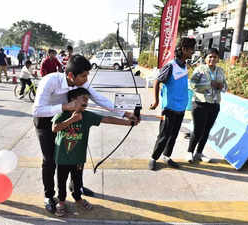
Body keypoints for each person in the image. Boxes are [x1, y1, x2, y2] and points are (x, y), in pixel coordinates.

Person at [32, 54, 139, 214]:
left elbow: (100, 99)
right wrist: (65, 107)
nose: (86, 79)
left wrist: (125, 114)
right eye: (83, 75)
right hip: (46, 121)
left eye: (87, 75)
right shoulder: (50, 81)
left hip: (70, 119)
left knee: (73, 157)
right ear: (70, 75)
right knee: (50, 161)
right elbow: (37, 110)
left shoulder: (81, 82)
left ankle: (76, 188)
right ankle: (49, 196)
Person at [52, 88, 138, 217]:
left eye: (87, 98)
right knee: (61, 181)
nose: (87, 101)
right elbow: (55, 128)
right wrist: (71, 120)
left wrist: (128, 123)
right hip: (62, 157)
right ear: (72, 100)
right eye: (84, 98)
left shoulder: (87, 115)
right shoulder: (62, 114)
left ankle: (78, 198)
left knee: (77, 180)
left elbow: (107, 119)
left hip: (78, 157)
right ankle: (62, 201)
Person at [148, 37, 196, 170]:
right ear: (184, 49)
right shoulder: (171, 66)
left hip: (180, 108)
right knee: (164, 135)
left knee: (173, 135)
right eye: (191, 49)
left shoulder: (184, 65)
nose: (193, 52)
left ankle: (167, 156)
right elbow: (157, 81)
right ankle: (153, 157)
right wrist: (156, 101)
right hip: (169, 108)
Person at [185, 48, 227, 163]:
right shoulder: (200, 69)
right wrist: (209, 84)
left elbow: (225, 87)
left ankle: (199, 153)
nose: (212, 59)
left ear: (218, 59)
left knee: (207, 130)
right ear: (205, 58)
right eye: (210, 56)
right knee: (198, 130)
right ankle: (190, 152)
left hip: (214, 104)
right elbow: (192, 84)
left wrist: (221, 86)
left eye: (215, 57)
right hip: (200, 103)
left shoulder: (221, 71)